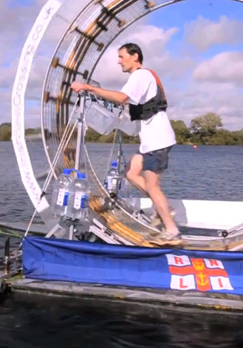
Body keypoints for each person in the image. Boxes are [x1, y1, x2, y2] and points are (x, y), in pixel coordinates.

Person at [70, 42, 181, 246]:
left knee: (152, 186)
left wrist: (88, 87)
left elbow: (121, 98)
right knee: (130, 173)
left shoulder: (140, 75)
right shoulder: (140, 78)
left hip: (157, 139)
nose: (119, 61)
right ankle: (163, 207)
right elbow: (127, 103)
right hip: (150, 140)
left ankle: (171, 229)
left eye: (122, 56)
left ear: (135, 56)